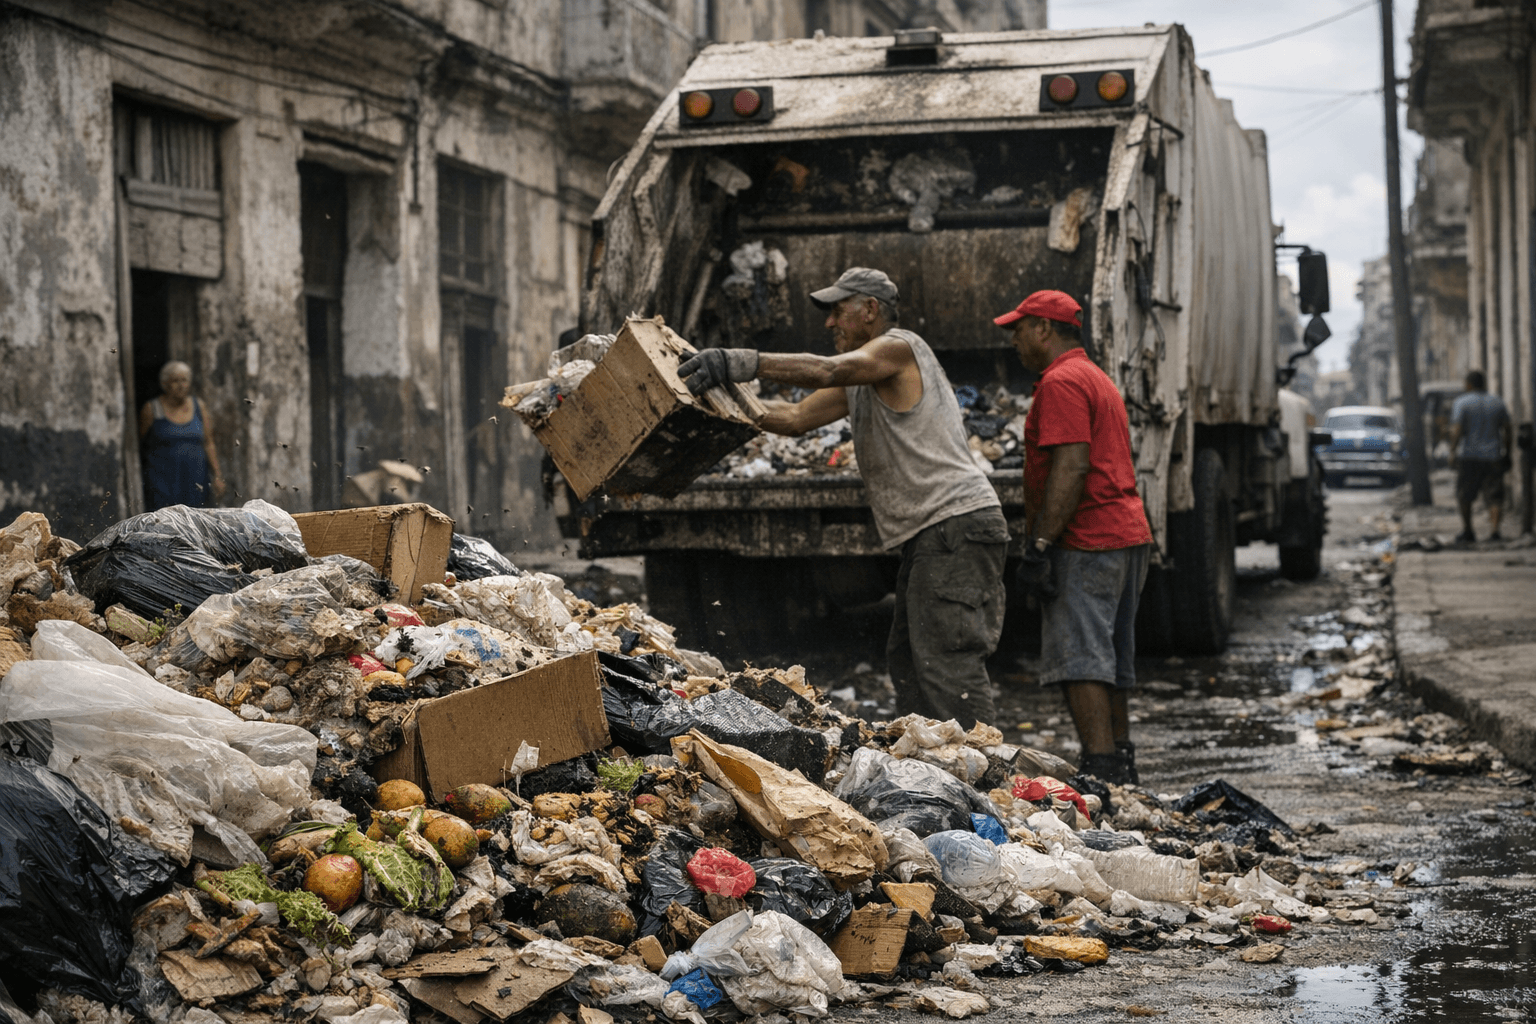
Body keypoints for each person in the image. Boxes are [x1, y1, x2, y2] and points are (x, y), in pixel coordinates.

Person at [679, 267, 1010, 727]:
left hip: (956, 524)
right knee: (911, 662)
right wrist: (714, 401)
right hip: (933, 532)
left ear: (870, 310)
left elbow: (825, 369)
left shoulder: (898, 347)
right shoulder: (864, 379)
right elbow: (793, 417)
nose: (830, 324)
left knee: (946, 666)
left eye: (838, 312)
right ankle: (939, 773)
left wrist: (740, 362)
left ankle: (986, 782)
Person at [998, 290, 1152, 785]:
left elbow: (1072, 465)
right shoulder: (1094, 375)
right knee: (1112, 659)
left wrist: (1040, 545)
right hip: (1125, 533)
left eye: (1019, 329)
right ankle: (1121, 765)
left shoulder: (1061, 382)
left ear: (1044, 328)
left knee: (1080, 659)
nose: (1015, 340)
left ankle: (1102, 769)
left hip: (1087, 540)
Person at [139, 360, 225, 511]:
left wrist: (217, 475)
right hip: (162, 484)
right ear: (165, 384)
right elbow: (139, 445)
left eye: (184, 380)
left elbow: (208, 442)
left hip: (196, 480)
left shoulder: (199, 406)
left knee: (197, 523)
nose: (180, 385)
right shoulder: (151, 409)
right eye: (175, 380)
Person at [1448, 369, 1512, 544]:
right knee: (1495, 495)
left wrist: (1452, 451)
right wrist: (1507, 452)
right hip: (1493, 456)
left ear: (1468, 385)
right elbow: (1507, 429)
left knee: (1464, 495)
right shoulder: (1497, 402)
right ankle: (1495, 531)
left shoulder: (1462, 402)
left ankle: (1468, 530)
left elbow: (1457, 430)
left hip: (1469, 456)